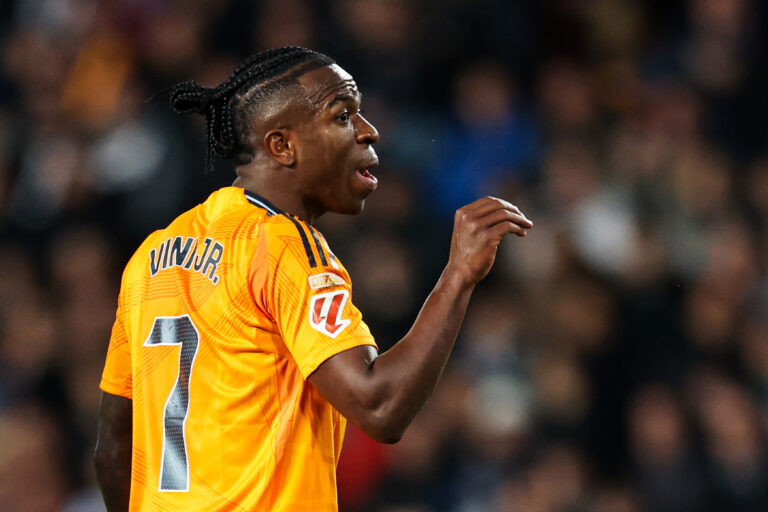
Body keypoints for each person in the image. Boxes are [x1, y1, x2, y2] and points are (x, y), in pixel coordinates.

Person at [94, 46, 533, 512]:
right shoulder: (283, 245)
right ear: (282, 145)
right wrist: (459, 275)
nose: (369, 132)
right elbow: (380, 407)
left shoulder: (151, 256)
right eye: (343, 116)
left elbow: (114, 451)